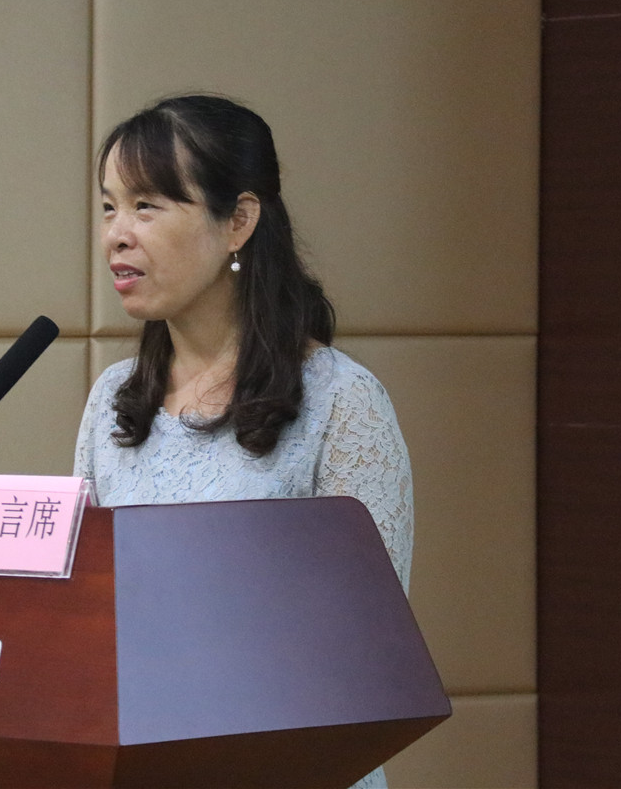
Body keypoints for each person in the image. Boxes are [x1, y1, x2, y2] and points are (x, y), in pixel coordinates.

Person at [72, 94, 413, 789]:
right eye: (109, 207)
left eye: (146, 205)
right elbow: (86, 612)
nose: (116, 236)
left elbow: (366, 649)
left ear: (239, 221)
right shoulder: (112, 400)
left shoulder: (341, 401)